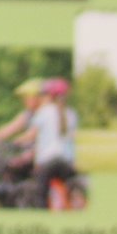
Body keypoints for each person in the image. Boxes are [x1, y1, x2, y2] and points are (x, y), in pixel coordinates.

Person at [27, 78, 83, 210]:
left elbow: (31, 135)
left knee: (41, 198)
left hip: (48, 162)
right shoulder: (72, 114)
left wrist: (15, 142)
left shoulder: (45, 111)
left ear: (50, 95)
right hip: (68, 162)